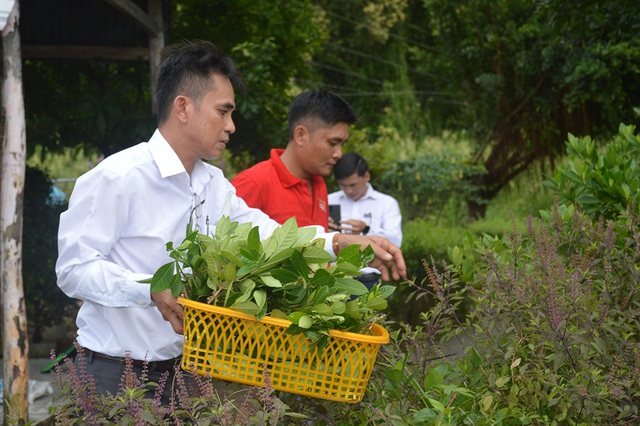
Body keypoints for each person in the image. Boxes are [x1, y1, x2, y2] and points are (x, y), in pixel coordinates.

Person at [55, 40, 406, 405]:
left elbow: (266, 233)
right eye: (223, 112)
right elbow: (74, 270)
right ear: (183, 107)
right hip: (115, 375)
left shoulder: (212, 184)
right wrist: (151, 289)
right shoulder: (119, 176)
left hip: (185, 374)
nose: (231, 126)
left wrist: (337, 243)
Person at [231, 89, 357, 230]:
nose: (339, 154)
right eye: (333, 143)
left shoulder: (319, 184)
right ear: (301, 135)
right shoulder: (253, 184)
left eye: (342, 145)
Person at [328, 153, 403, 288]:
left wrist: (367, 229)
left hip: (368, 280)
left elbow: (395, 240)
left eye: (353, 184)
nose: (348, 190)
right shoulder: (328, 200)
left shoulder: (386, 203)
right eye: (342, 185)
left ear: (366, 176)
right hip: (334, 278)